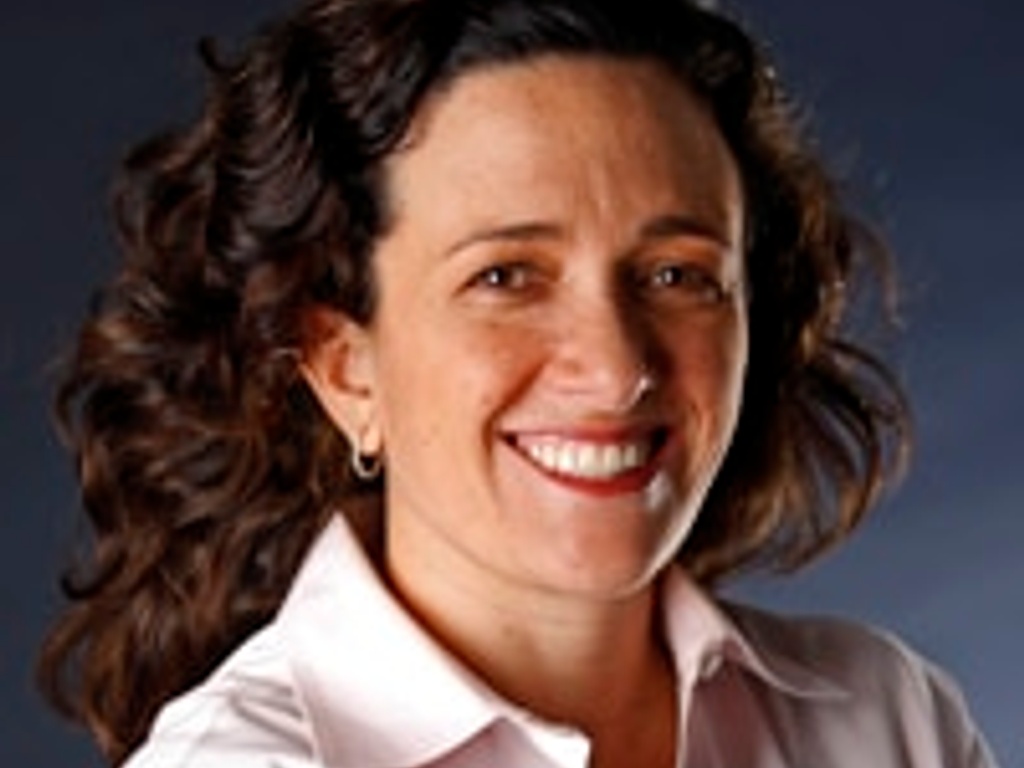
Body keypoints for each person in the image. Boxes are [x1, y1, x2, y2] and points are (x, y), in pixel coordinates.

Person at [38, 0, 998, 766]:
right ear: (343, 366)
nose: (617, 367)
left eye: (677, 275)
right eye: (506, 277)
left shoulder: (889, 721)